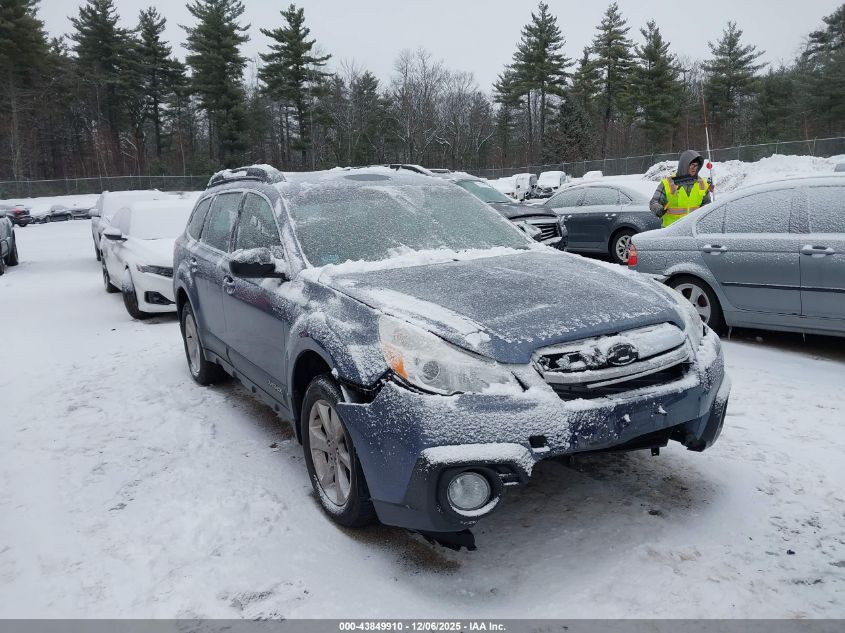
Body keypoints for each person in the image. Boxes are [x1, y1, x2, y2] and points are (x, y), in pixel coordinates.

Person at [650, 150, 712, 227]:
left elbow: (707, 205)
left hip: (693, 229)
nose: (694, 168)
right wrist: (658, 209)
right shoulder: (668, 183)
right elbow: (654, 202)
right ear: (684, 165)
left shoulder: (702, 184)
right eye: (692, 165)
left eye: (697, 165)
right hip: (671, 229)